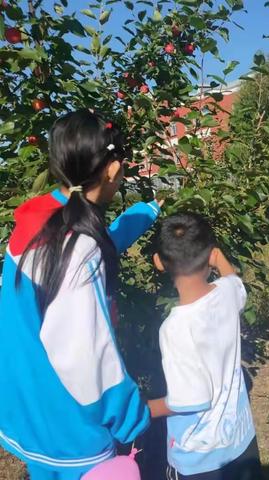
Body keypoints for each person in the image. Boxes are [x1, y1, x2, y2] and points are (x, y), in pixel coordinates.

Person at [0, 110, 162, 479]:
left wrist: (146, 211)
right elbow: (85, 357)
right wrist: (130, 417)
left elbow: (96, 243)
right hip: (69, 429)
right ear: (112, 168)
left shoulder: (43, 219)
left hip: (27, 408)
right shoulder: (78, 249)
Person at [148, 213, 262, 480]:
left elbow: (191, 399)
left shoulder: (176, 328)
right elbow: (234, 280)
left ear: (159, 262)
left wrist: (144, 409)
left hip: (199, 459)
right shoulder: (228, 293)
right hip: (241, 441)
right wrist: (217, 256)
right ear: (211, 255)